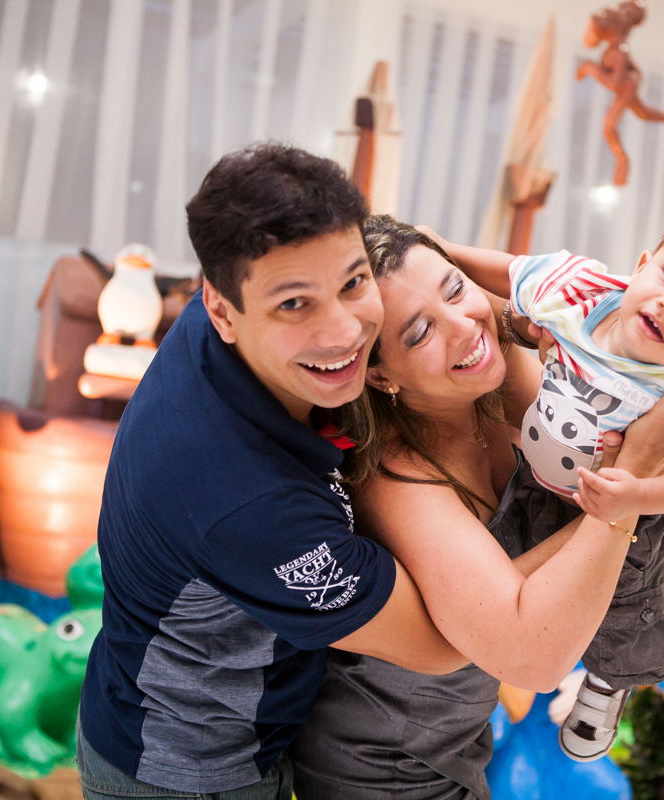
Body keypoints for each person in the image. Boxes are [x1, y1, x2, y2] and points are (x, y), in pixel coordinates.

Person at [76, 145, 472, 800]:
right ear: (223, 309)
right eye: (295, 305)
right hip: (193, 773)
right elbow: (441, 646)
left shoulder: (224, 317)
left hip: (143, 697)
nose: (345, 331)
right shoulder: (250, 500)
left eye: (353, 282)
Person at [288, 217, 664, 799]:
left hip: (462, 747)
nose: (462, 327)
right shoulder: (396, 473)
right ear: (379, 374)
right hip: (380, 770)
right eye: (419, 333)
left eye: (454, 288)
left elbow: (590, 329)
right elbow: (536, 659)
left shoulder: (490, 377)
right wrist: (624, 497)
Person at [430, 215, 664, 760]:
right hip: (535, 480)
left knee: (626, 607)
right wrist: (442, 250)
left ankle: (606, 684)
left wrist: (637, 497)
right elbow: (508, 271)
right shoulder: (580, 291)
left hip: (630, 519)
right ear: (642, 266)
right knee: (508, 568)